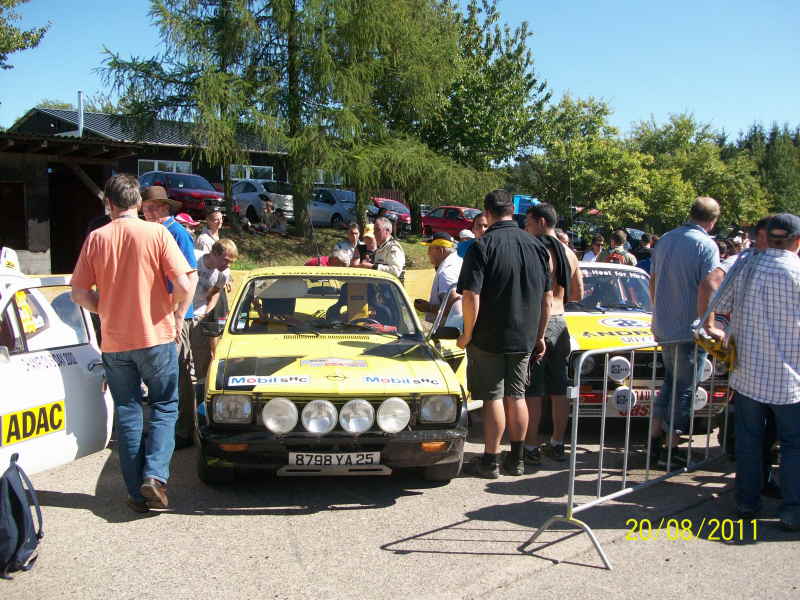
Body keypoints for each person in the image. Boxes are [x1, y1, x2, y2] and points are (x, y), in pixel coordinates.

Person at [71, 174, 197, 513]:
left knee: (128, 412)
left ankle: (136, 491)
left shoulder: (96, 238)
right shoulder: (156, 233)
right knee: (165, 407)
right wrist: (176, 314)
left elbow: (79, 293)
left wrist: (106, 309)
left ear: (108, 204)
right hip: (156, 336)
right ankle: (155, 477)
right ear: (138, 204)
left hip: (115, 341)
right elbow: (185, 284)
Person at [705, 213, 800, 530]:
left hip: (748, 374)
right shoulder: (798, 271)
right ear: (796, 242)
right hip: (790, 379)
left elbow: (720, 300)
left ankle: (747, 502)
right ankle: (792, 509)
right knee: (793, 445)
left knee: (749, 440)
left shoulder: (746, 266)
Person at [457, 189, 552, 478]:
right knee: (517, 395)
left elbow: (470, 296)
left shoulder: (482, 246)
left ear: (487, 213)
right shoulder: (537, 247)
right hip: (524, 336)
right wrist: (539, 336)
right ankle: (518, 458)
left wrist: (467, 334)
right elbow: (547, 300)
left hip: (489, 336)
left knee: (493, 398)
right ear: (513, 210)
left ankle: (491, 459)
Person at [650, 196, 720, 467]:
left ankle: (657, 441)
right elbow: (709, 286)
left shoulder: (666, 239)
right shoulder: (706, 245)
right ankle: (671, 448)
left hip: (665, 324)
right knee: (684, 389)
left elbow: (653, 280)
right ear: (712, 222)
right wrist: (709, 324)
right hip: (690, 328)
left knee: (669, 384)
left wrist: (657, 316)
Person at [523, 203, 584, 464]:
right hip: (562, 322)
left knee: (534, 388)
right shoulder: (569, 253)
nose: (525, 227)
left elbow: (541, 297)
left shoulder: (538, 250)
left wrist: (537, 332)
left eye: (527, 222)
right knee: (560, 388)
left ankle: (531, 446)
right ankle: (557, 443)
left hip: (541, 321)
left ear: (540, 222)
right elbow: (578, 293)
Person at [141, 185, 199, 450]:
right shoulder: (155, 234)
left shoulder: (177, 234)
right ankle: (166, 428)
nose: (150, 212)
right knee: (161, 374)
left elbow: (191, 277)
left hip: (175, 315)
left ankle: (183, 431)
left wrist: (178, 315)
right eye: (147, 208)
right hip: (158, 314)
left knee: (177, 374)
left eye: (155, 208)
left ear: (166, 208)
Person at [190, 239, 238, 393]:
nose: (228, 265)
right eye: (226, 260)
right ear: (214, 253)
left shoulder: (224, 273)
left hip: (199, 314)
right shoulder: (193, 257)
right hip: (179, 312)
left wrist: (207, 311)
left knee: (201, 353)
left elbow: (217, 290)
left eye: (231, 262)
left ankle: (200, 388)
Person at [414, 232, 462, 323]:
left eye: (430, 249)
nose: (428, 253)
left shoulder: (446, 272)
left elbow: (455, 307)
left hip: (447, 331)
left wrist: (428, 307)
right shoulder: (457, 261)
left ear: (441, 250)